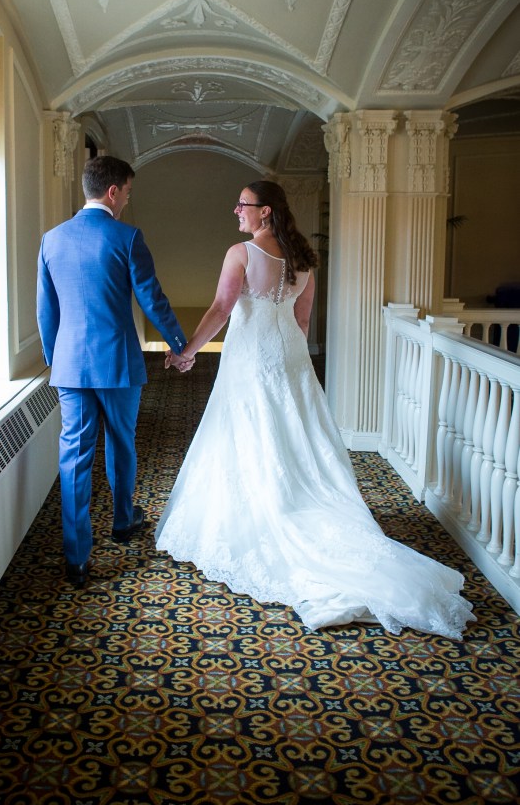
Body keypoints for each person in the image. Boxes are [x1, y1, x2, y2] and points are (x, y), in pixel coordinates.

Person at [156, 180, 475, 639]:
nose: (236, 211)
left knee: (250, 431)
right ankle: (296, 497)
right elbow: (302, 320)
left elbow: (222, 308)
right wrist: (289, 361)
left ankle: (269, 510)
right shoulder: (304, 260)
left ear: (265, 212)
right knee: (295, 432)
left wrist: (188, 351)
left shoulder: (241, 254)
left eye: (242, 205)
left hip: (251, 358)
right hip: (290, 357)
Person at [37, 155, 193, 588]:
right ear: (113, 191)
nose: (126, 199)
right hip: (119, 364)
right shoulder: (127, 237)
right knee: (121, 443)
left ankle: (77, 558)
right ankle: (123, 521)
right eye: (127, 192)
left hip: (70, 368)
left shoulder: (51, 240)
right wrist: (180, 345)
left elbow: (46, 310)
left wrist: (57, 359)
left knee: (74, 457)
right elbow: (152, 298)